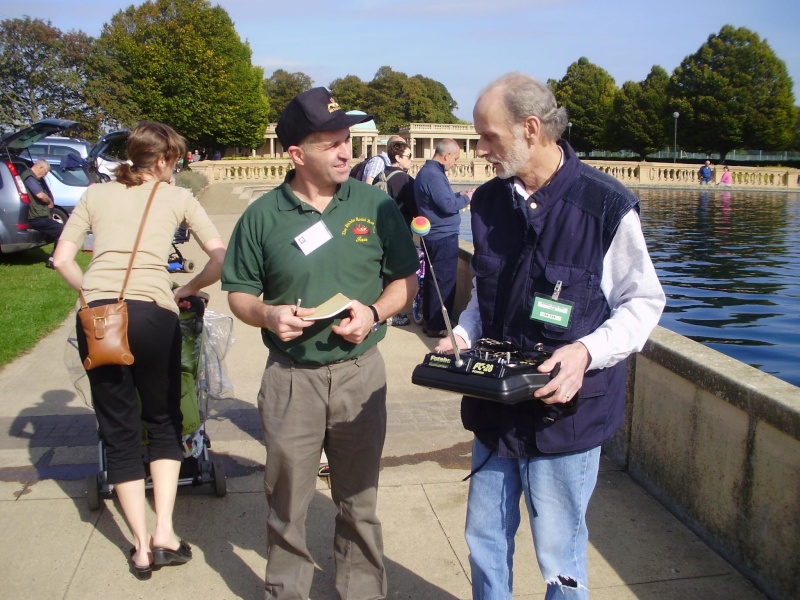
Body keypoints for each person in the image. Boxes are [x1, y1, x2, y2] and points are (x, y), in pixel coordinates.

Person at [436, 72, 665, 599]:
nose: (479, 149)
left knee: (559, 555)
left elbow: (644, 304)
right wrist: (465, 336)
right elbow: (483, 300)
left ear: (531, 130)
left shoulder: (606, 205)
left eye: (488, 137)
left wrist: (586, 350)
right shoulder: (489, 204)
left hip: (567, 419)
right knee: (484, 538)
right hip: (495, 411)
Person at [221, 87, 419, 600]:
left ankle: (361, 592)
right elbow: (239, 292)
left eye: (346, 140)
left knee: (359, 499)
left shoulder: (376, 205)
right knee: (287, 503)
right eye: (329, 143)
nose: (344, 152)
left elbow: (405, 281)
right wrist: (266, 313)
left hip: (360, 373)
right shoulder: (262, 216)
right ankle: (287, 591)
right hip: (291, 380)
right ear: (295, 154)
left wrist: (374, 312)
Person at [52, 122, 227, 580]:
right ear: (166, 160)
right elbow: (219, 256)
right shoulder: (177, 197)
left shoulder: (95, 194)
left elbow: (62, 259)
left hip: (100, 318)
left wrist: (91, 294)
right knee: (163, 419)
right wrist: (184, 289)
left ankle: (140, 545)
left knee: (118, 427)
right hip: (153, 314)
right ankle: (166, 532)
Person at [413, 138, 473, 337]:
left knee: (434, 280)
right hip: (442, 236)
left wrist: (458, 195)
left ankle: (431, 321)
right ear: (446, 155)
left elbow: (442, 200)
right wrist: (467, 198)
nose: (455, 163)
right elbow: (447, 206)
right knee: (443, 281)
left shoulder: (429, 172)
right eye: (455, 158)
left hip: (434, 235)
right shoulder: (434, 174)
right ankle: (437, 325)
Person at [373, 138, 417, 326]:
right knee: (397, 274)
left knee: (381, 272)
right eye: (408, 156)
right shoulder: (405, 180)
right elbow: (416, 210)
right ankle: (393, 314)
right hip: (399, 231)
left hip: (378, 231)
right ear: (398, 157)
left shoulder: (379, 176)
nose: (411, 160)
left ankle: (379, 310)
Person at [21, 158, 63, 268]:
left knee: (60, 230)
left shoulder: (33, 178)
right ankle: (53, 260)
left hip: (39, 216)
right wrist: (49, 201)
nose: (45, 175)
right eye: (45, 172)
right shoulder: (29, 177)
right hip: (36, 218)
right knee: (63, 231)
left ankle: (54, 258)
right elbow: (40, 195)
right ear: (40, 167)